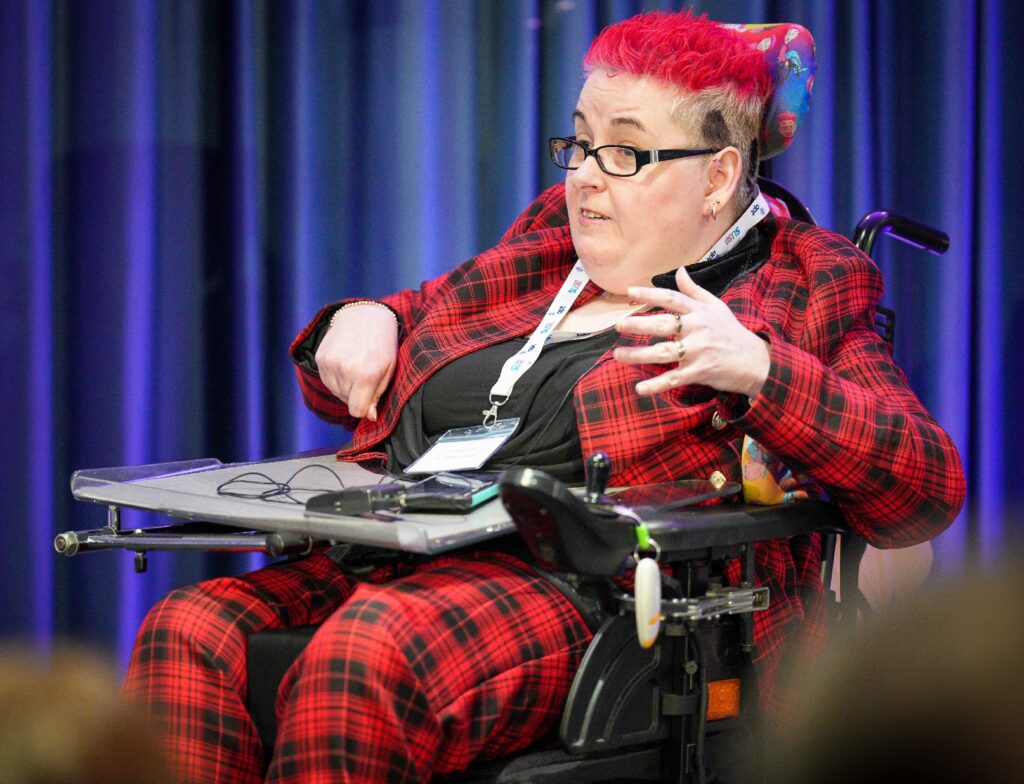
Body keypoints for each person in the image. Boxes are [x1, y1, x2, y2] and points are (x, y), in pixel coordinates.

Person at [124, 10, 965, 784]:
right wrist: (359, 318)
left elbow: (923, 493)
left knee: (367, 658)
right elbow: (355, 371)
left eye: (625, 153)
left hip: (598, 592)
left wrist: (763, 372)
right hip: (405, 550)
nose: (587, 179)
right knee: (186, 632)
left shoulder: (802, 282)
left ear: (718, 177)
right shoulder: (545, 254)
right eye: (581, 143)